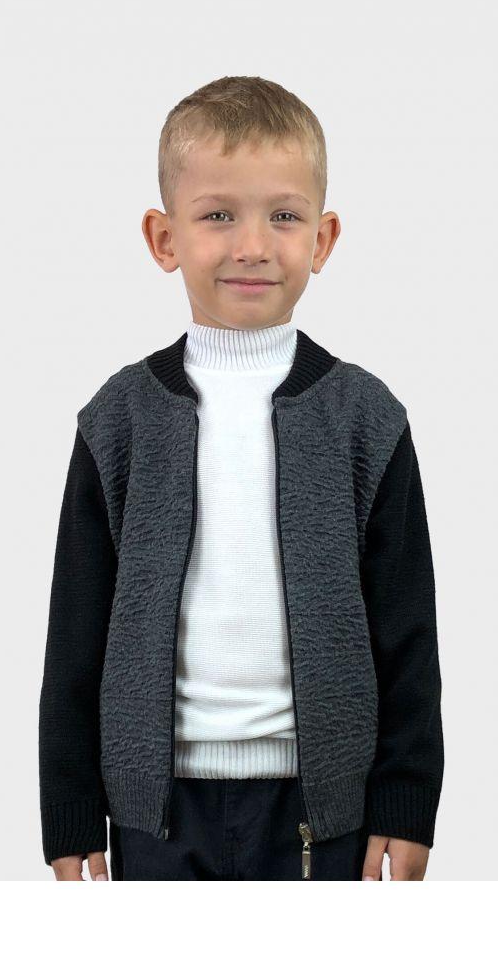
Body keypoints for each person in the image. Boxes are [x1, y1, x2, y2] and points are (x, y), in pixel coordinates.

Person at [38, 75, 444, 881]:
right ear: (164, 238)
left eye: (283, 216)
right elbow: (76, 631)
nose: (253, 245)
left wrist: (405, 802)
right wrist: (71, 811)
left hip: (321, 809)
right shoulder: (119, 419)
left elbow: (407, 630)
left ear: (323, 238)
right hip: (155, 810)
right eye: (219, 215)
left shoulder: (366, 419)